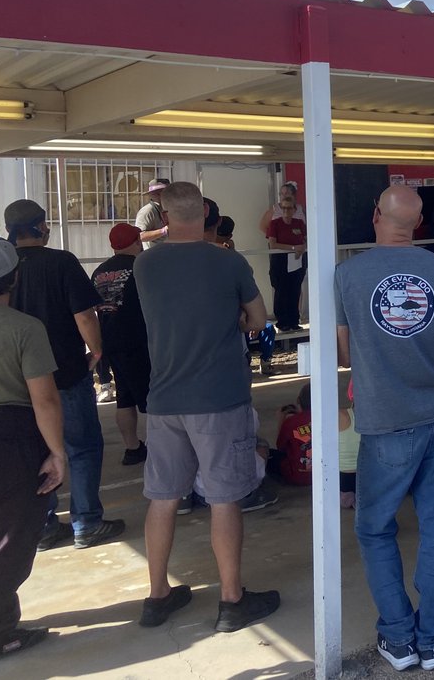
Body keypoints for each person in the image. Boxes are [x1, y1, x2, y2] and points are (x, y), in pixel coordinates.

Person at [335, 184, 434, 672]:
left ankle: (399, 639)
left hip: (387, 422)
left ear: (377, 215)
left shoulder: (348, 274)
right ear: (419, 224)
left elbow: (343, 354)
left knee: (374, 527)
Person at [132, 181, 279, 633]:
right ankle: (231, 601)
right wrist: (231, 318)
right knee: (223, 497)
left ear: (163, 215)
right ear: (206, 213)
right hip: (218, 397)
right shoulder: (228, 261)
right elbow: (258, 319)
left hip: (164, 400)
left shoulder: (145, 265)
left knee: (162, 497)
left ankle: (157, 596)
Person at [5, 198, 124, 551]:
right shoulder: (61, 262)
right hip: (66, 372)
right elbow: (85, 315)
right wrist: (97, 352)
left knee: (39, 450)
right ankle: (86, 522)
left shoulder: (3, 268)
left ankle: (43, 525)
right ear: (42, 226)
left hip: (20, 379)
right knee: (82, 446)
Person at [0, 237, 65, 664]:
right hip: (5, 442)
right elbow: (44, 400)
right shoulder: (23, 328)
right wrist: (57, 452)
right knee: (2, 539)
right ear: (12, 278)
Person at [92, 223, 152, 466]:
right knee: (152, 398)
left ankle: (132, 448)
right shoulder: (142, 267)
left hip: (110, 341)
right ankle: (162, 447)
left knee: (124, 397)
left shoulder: (99, 272)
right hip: (139, 340)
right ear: (137, 241)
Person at [266, 196, 307, 331]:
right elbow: (273, 244)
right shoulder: (275, 223)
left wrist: (301, 248)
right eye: (283, 208)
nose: (286, 211)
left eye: (289, 208)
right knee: (281, 291)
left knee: (294, 290)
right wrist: (293, 248)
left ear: (294, 209)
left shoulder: (299, 223)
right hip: (281, 260)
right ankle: (282, 321)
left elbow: (305, 239)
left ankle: (294, 320)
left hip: (297, 260)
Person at [135, 178, 170, 248]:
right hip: (155, 256)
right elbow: (140, 236)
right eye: (157, 192)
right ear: (152, 195)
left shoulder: (171, 208)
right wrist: (164, 230)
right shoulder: (147, 211)